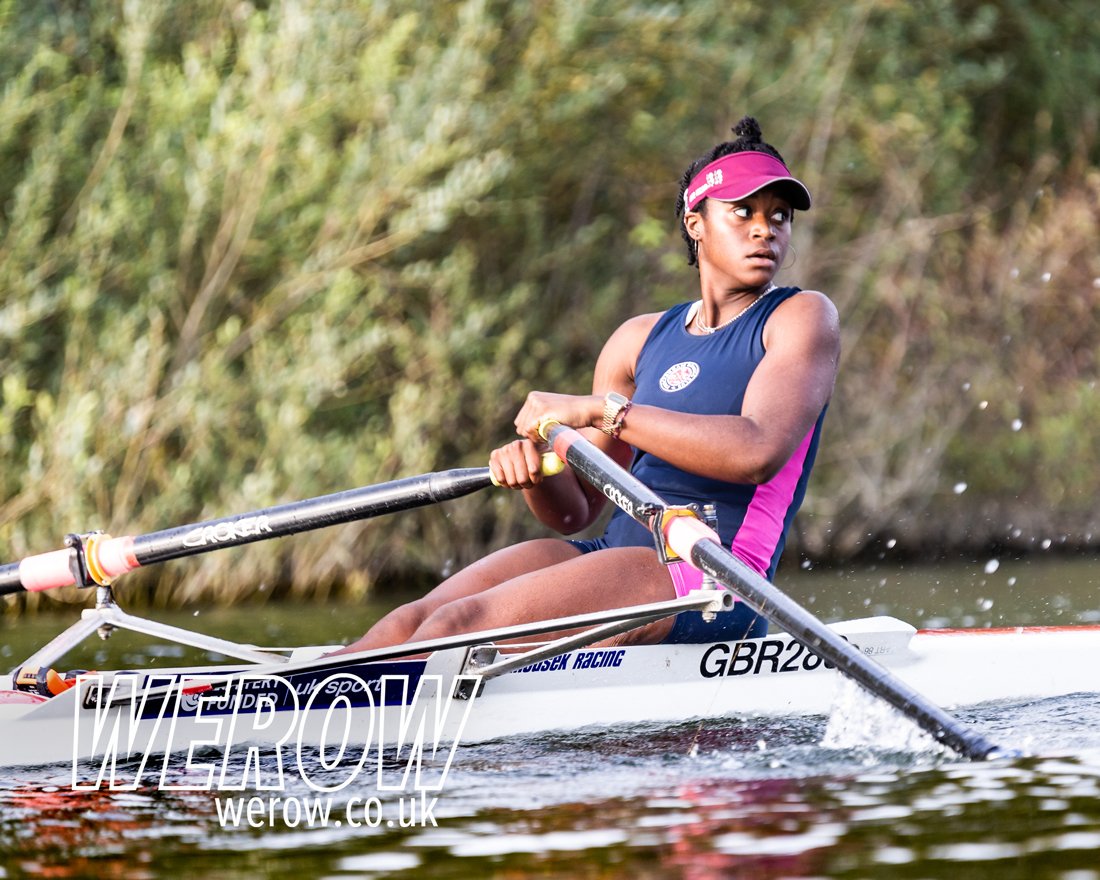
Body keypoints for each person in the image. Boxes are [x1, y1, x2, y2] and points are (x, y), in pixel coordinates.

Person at [334, 116, 839, 655]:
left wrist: (604, 411)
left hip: (714, 581)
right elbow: (578, 510)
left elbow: (756, 451)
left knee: (457, 628)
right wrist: (535, 468)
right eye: (742, 212)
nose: (765, 229)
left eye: (779, 217)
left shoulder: (801, 317)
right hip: (612, 554)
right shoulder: (638, 340)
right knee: (402, 627)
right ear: (695, 223)